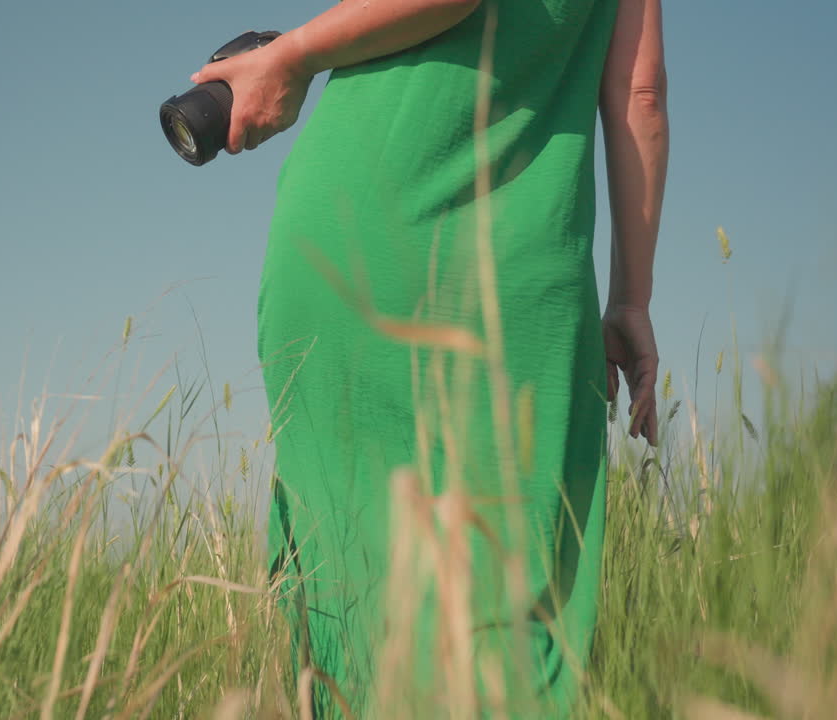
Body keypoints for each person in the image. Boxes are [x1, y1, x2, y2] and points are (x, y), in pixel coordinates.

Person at [191, 0, 666, 716]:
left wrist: (290, 57)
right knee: (507, 607)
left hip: (352, 236)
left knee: (354, 588)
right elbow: (641, 91)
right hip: (514, 275)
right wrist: (632, 295)